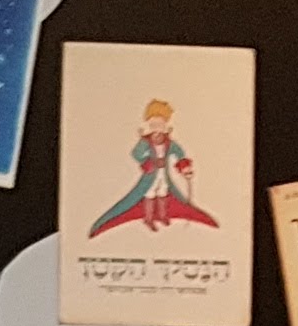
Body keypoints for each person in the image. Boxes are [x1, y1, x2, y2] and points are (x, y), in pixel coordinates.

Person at [82, 97, 217, 237]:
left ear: (165, 124)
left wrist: (184, 166)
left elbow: (179, 153)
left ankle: (163, 216)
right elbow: (136, 154)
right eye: (154, 123)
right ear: (149, 124)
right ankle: (149, 218)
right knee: (150, 193)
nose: (157, 126)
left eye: (160, 123)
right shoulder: (146, 142)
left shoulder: (169, 142)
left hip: (163, 173)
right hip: (151, 174)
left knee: (163, 192)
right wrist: (145, 161)